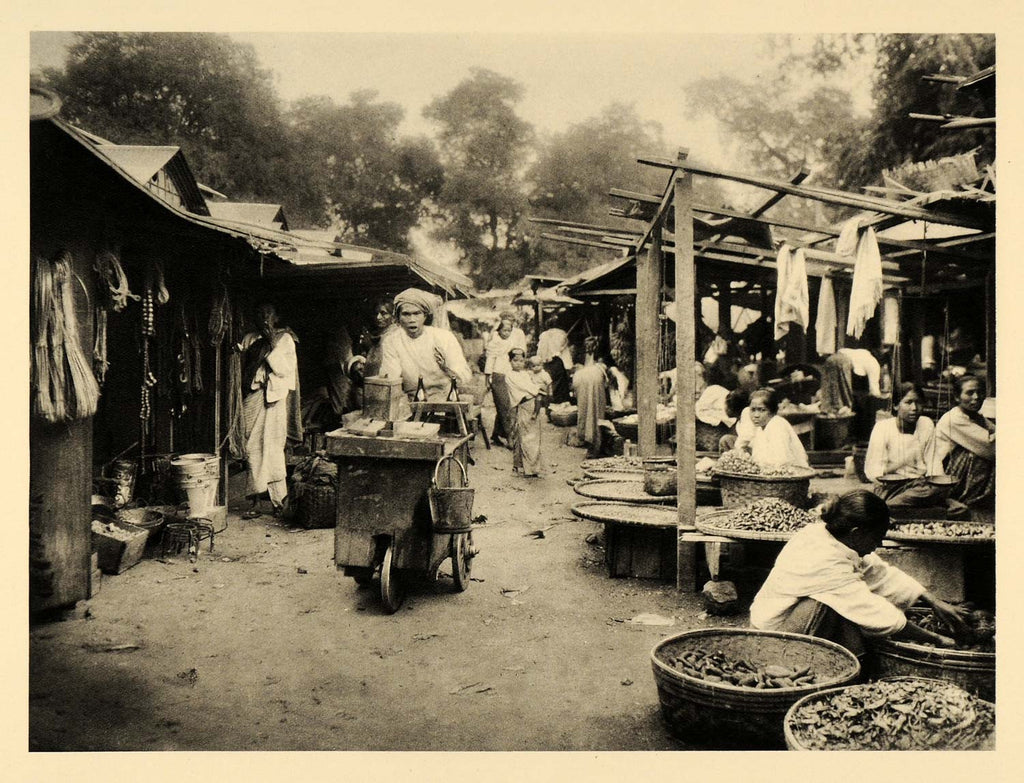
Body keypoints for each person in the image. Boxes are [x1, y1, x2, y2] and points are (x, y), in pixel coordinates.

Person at [750, 490, 968, 657]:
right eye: (877, 537)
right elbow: (872, 611)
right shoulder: (824, 560)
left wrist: (933, 601)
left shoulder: (829, 535)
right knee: (835, 607)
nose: (880, 544)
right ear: (857, 533)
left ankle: (858, 659)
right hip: (774, 632)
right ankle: (808, 661)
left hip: (789, 614)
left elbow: (878, 572)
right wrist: (937, 639)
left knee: (846, 608)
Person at [238, 302, 299, 518]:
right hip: (253, 397)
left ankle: (277, 500)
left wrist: (271, 344)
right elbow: (241, 368)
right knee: (251, 447)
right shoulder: (249, 338)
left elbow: (284, 370)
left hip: (274, 399)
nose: (264, 318)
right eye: (260, 313)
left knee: (273, 448)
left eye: (268, 314)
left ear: (276, 317)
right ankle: (254, 499)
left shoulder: (285, 339)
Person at [864, 383, 962, 512]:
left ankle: (890, 508)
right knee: (921, 496)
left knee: (960, 508)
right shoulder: (883, 428)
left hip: (921, 486)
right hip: (892, 488)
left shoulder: (926, 424)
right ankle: (889, 506)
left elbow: (933, 462)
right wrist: (899, 465)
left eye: (919, 403)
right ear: (896, 405)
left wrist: (940, 483)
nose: (914, 408)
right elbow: (873, 471)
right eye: (908, 402)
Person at [379, 288, 472, 402]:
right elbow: (390, 377)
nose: (412, 319)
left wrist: (445, 367)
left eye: (417, 313)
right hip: (411, 400)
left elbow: (465, 376)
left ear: (425, 316)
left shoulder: (444, 337)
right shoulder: (392, 341)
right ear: (398, 317)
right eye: (406, 314)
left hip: (445, 398)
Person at [924, 374, 996, 508]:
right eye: (970, 393)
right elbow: (992, 448)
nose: (976, 397)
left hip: (955, 473)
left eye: (979, 392)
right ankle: (968, 498)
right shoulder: (954, 418)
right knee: (977, 454)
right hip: (942, 476)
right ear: (957, 397)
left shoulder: (976, 417)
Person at [732, 387, 809, 467]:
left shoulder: (777, 425)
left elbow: (781, 460)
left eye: (762, 410)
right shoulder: (760, 428)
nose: (756, 415)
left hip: (792, 473)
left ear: (772, 411)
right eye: (753, 410)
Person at [483, 313, 527, 448]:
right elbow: (490, 359)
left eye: (510, 327)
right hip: (499, 374)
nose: (507, 331)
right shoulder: (494, 340)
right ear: (499, 327)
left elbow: (522, 351)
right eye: (504, 328)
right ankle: (510, 437)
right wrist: (487, 378)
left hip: (512, 373)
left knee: (511, 404)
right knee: (504, 405)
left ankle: (496, 434)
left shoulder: (517, 335)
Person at [505, 349, 550, 477]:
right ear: (510, 361)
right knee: (526, 437)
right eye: (515, 360)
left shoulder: (525, 374)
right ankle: (529, 468)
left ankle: (530, 466)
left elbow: (533, 384)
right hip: (524, 404)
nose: (518, 363)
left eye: (521, 360)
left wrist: (538, 391)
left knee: (533, 436)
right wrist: (538, 390)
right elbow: (525, 387)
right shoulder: (510, 375)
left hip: (532, 403)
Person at [572, 335, 608, 458]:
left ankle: (587, 437)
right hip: (592, 378)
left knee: (585, 409)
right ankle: (594, 439)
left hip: (583, 379)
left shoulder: (582, 356)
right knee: (595, 410)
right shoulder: (600, 359)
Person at [537, 315, 573, 404]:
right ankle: (559, 403)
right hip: (558, 361)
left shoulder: (543, 335)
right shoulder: (562, 334)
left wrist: (541, 360)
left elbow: (540, 350)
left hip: (547, 362)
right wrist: (569, 366)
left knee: (549, 383)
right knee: (560, 386)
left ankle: (549, 404)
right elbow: (565, 351)